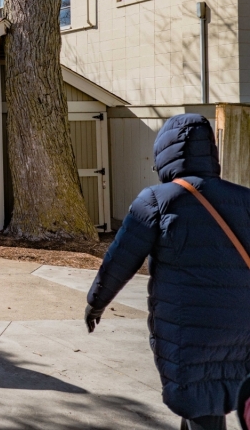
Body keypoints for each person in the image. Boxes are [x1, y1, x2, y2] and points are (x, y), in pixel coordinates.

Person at [86, 114, 250, 430]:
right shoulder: (244, 198)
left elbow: (119, 261)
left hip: (189, 329)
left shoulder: (156, 201)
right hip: (242, 326)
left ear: (165, 153)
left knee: (200, 404)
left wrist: (97, 301)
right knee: (215, 397)